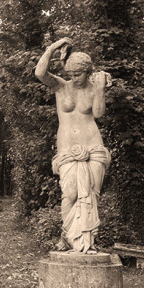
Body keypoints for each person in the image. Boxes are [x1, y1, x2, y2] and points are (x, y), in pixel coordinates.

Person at [34, 37, 111, 253]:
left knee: (91, 196)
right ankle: (68, 236)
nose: (74, 78)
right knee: (70, 194)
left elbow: (98, 113)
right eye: (71, 74)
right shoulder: (61, 86)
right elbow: (40, 74)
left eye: (78, 74)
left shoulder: (95, 87)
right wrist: (51, 48)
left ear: (88, 71)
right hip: (67, 148)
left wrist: (101, 90)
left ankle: (89, 241)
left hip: (93, 146)